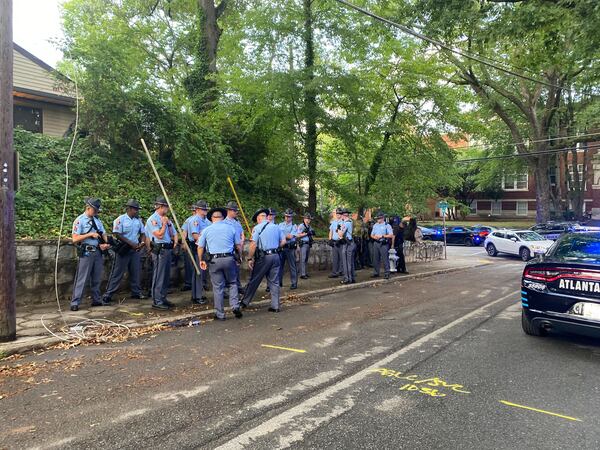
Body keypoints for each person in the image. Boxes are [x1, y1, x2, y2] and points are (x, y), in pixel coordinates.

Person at [197, 207, 243, 320]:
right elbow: (238, 245)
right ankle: (235, 306)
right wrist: (239, 257)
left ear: (212, 218)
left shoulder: (207, 230)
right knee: (232, 283)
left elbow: (200, 247)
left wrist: (201, 260)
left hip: (214, 261)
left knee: (218, 287)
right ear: (223, 217)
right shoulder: (231, 228)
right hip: (229, 259)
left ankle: (220, 313)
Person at [70, 198, 111, 311]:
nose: (97, 212)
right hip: (87, 252)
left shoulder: (97, 220)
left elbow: (103, 234)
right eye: (95, 210)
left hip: (98, 251)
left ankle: (96, 300)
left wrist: (106, 243)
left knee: (97, 278)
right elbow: (75, 238)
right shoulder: (80, 220)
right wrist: (89, 235)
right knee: (82, 278)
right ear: (88, 208)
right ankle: (75, 302)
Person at [102, 199, 147, 304]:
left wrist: (142, 243)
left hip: (135, 249)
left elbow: (143, 233)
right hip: (124, 248)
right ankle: (108, 294)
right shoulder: (120, 220)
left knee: (136, 272)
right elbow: (117, 234)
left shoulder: (138, 221)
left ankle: (136, 292)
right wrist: (131, 243)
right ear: (129, 209)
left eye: (137, 209)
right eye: (135, 209)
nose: (136, 211)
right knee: (117, 272)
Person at [241, 208, 286, 312]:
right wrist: (274, 247)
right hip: (276, 256)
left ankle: (244, 302)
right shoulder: (276, 227)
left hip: (264, 258)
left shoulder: (257, 228)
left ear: (258, 218)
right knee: (274, 282)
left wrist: (249, 258)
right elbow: (283, 241)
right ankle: (275, 306)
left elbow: (253, 245)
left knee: (255, 279)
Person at [146, 196, 178, 310]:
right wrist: (164, 224)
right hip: (159, 250)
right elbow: (159, 234)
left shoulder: (166, 219)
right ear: (160, 207)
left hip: (168, 249)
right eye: (166, 207)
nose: (168, 209)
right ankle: (157, 300)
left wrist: (168, 225)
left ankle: (163, 298)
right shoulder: (152, 220)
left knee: (165, 276)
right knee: (159, 275)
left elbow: (174, 233)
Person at [182, 200, 210, 305]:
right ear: (197, 210)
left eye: (206, 208)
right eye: (203, 209)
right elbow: (195, 235)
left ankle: (197, 295)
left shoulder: (207, 220)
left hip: (205, 247)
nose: (205, 210)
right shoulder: (195, 220)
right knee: (199, 272)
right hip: (198, 247)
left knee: (200, 272)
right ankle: (197, 296)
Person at [224, 201, 245, 294]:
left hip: (237, 247)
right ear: (229, 210)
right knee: (227, 270)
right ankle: (226, 289)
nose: (236, 212)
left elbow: (241, 233)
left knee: (236, 269)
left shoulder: (237, 222)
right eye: (234, 210)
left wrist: (242, 240)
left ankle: (238, 286)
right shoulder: (223, 222)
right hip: (228, 248)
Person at [370, 210, 394, 279]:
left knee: (384, 258)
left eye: (379, 218)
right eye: (377, 218)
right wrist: (375, 237)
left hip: (383, 243)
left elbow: (391, 235)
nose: (378, 219)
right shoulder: (375, 225)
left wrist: (382, 236)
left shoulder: (387, 225)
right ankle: (376, 272)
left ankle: (387, 272)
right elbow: (372, 234)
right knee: (375, 259)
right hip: (376, 243)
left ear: (382, 218)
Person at [278, 209, 298, 289]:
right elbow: (277, 235)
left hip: (290, 248)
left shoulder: (294, 226)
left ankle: (294, 283)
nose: (287, 218)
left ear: (291, 217)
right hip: (282, 248)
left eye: (289, 216)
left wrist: (282, 235)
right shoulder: (280, 225)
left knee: (292, 266)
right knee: (279, 266)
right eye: (286, 216)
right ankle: (279, 282)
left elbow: (290, 236)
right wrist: (285, 235)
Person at [339, 208, 356, 284]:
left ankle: (347, 279)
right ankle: (352, 278)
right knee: (350, 262)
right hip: (350, 243)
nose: (340, 216)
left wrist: (339, 229)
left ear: (344, 215)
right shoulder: (350, 221)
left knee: (346, 262)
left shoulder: (346, 223)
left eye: (341, 214)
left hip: (347, 244)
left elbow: (340, 234)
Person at [296, 213, 314, 279]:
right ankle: (302, 274)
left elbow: (312, 233)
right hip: (303, 244)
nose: (308, 220)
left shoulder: (309, 226)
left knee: (306, 259)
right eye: (307, 218)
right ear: (304, 219)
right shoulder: (301, 226)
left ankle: (305, 272)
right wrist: (306, 234)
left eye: (309, 219)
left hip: (308, 243)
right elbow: (297, 235)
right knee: (302, 259)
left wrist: (312, 233)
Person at [328, 207, 344, 278]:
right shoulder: (334, 222)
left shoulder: (343, 222)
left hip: (340, 242)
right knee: (335, 258)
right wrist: (330, 239)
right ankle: (334, 272)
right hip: (334, 242)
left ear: (341, 214)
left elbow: (342, 233)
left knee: (341, 258)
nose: (338, 215)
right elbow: (331, 231)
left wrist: (340, 239)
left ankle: (340, 272)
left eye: (340, 213)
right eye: (337, 213)